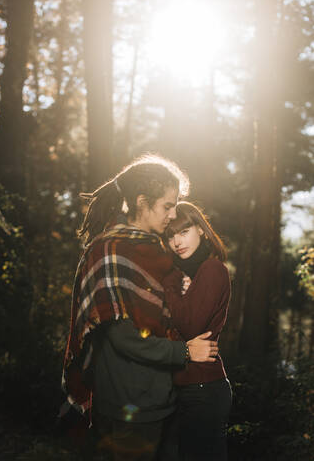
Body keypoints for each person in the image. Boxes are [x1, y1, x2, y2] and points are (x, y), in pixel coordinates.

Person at [61, 155, 219, 461]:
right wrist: (185, 352)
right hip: (126, 407)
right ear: (141, 202)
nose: (173, 215)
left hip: (163, 398)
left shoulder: (156, 251)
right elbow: (124, 338)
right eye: (167, 206)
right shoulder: (108, 251)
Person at [162, 201, 232, 461]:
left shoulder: (212, 269)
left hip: (204, 388)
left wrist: (169, 284)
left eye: (184, 232)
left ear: (201, 229)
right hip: (185, 386)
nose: (177, 242)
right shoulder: (185, 274)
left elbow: (190, 325)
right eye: (170, 236)